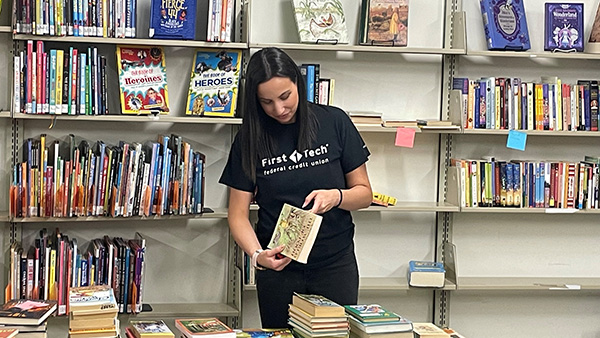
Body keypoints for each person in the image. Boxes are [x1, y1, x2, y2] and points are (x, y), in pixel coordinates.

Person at [219, 47, 373, 328]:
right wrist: (257, 256)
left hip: (334, 264)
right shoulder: (249, 139)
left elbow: (364, 193)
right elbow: (237, 214)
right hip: (279, 268)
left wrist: (336, 197)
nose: (279, 109)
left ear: (298, 84)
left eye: (285, 96)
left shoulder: (334, 122)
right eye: (266, 102)